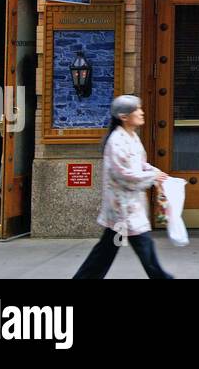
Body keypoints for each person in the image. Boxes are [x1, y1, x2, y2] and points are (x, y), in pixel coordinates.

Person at [73, 95, 174, 279]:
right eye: (137, 109)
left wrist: (155, 172)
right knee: (145, 249)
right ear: (124, 116)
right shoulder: (116, 141)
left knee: (106, 251)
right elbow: (123, 175)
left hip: (127, 207)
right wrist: (152, 176)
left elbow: (140, 164)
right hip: (122, 208)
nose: (142, 112)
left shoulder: (131, 136)